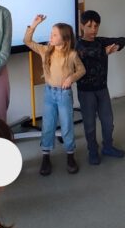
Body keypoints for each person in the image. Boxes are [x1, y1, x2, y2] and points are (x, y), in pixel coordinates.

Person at [25, 15, 85, 175]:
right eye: (51, 34)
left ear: (64, 39)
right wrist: (34, 25)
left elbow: (82, 70)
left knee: (67, 125)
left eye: (54, 34)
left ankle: (70, 155)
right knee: (48, 125)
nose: (50, 37)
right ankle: (45, 156)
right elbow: (27, 41)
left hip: (64, 95)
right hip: (49, 94)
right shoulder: (45, 51)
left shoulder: (72, 55)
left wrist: (71, 78)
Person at [75, 9, 125, 165]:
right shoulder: (78, 45)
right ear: (81, 26)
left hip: (102, 89)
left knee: (108, 121)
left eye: (96, 26)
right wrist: (104, 52)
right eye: (89, 26)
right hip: (86, 92)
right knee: (90, 124)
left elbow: (122, 39)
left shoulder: (100, 41)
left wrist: (117, 46)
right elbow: (88, 52)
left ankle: (108, 147)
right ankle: (92, 151)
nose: (93, 30)